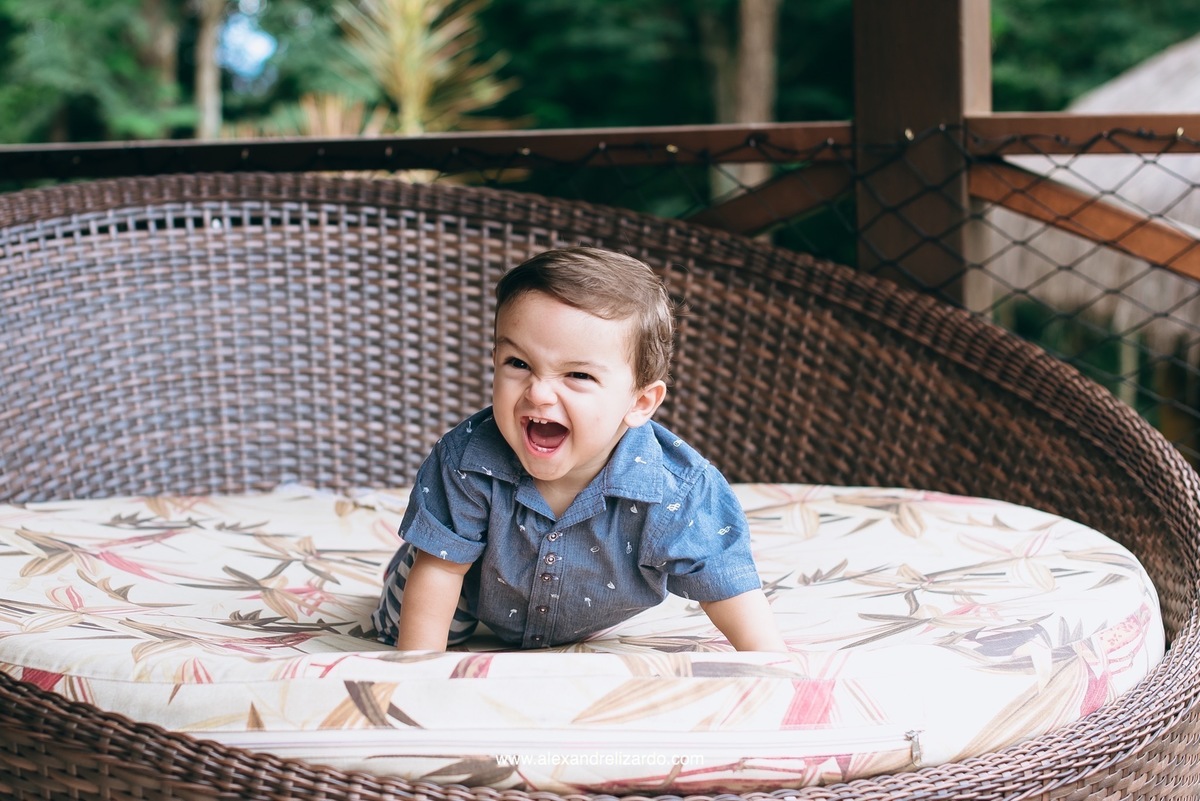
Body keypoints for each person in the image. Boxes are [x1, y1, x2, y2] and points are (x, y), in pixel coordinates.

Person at [371, 246, 786, 652]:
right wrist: (417, 673)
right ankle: (419, 548)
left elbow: (727, 584)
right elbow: (441, 570)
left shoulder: (678, 490)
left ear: (640, 402)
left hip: (584, 609)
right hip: (473, 589)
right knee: (416, 610)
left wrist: (773, 664)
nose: (539, 392)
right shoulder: (468, 460)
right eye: (518, 363)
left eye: (577, 375)